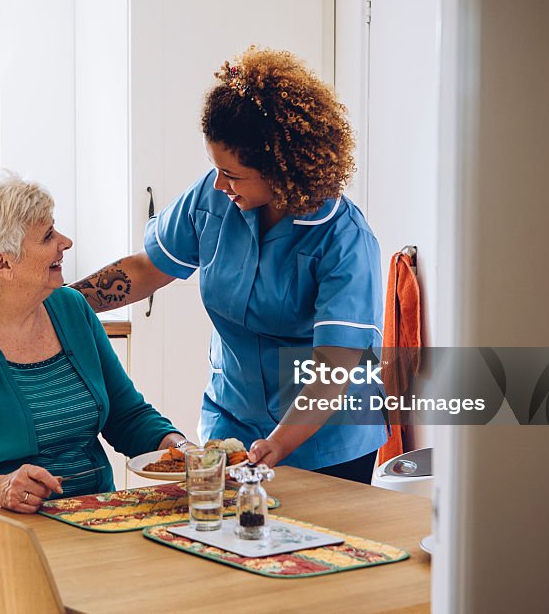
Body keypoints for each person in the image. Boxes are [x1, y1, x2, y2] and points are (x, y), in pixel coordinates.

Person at [72, 46, 386, 483]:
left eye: (234, 174)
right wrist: (59, 304)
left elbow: (334, 365)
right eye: (215, 168)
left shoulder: (344, 239)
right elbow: (146, 269)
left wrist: (279, 443)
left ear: (282, 169)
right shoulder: (214, 196)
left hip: (325, 441)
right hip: (232, 423)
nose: (220, 183)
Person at [0, 170, 188, 515]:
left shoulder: (70, 308)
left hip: (94, 517)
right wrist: (1, 488)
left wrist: (182, 450)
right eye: (48, 235)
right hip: (0, 532)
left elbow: (127, 417)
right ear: (2, 263)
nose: (65, 242)